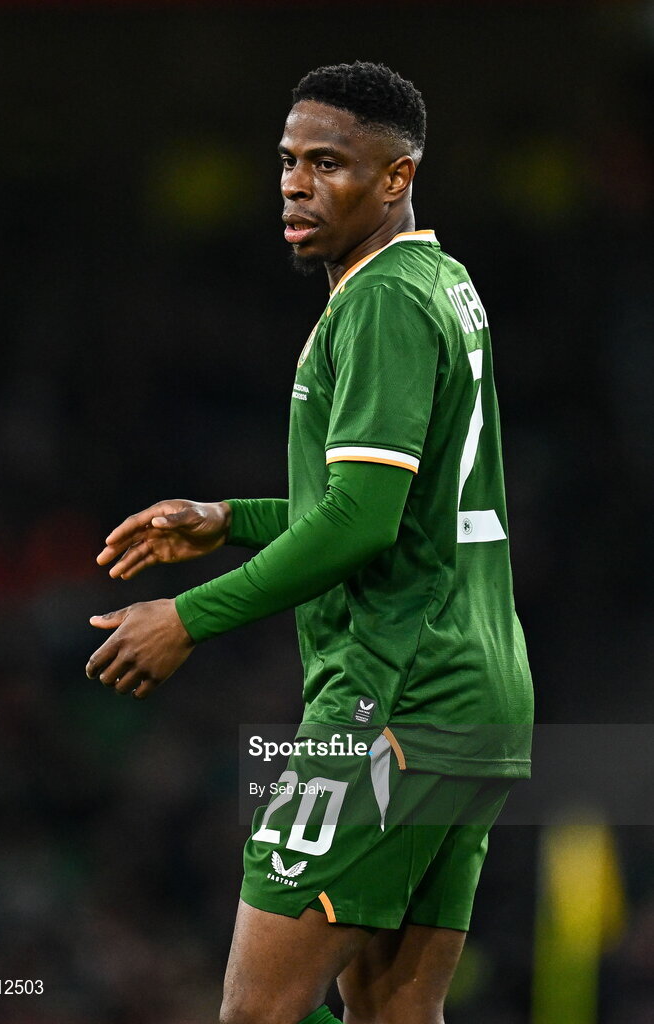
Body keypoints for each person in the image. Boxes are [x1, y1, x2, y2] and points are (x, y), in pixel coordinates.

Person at [86, 61, 533, 1024]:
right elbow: (392, 507)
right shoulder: (440, 283)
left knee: (257, 1011)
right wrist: (226, 519)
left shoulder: (379, 303)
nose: (294, 183)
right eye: (288, 161)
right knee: (391, 1013)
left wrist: (190, 618)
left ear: (395, 177)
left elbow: (361, 523)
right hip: (477, 693)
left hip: (394, 697)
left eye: (328, 162)